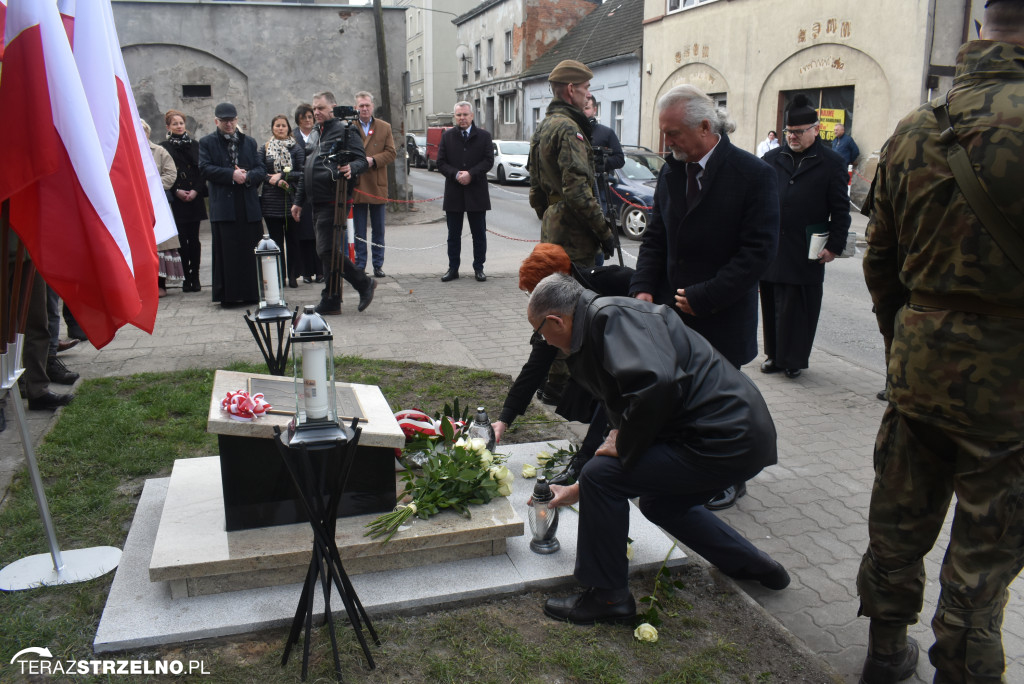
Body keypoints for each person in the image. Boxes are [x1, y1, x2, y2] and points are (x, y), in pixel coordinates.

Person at [856, 3, 1024, 682]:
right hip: (1013, 380)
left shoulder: (917, 127)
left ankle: (885, 656)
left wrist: (908, 336)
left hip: (921, 361)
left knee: (899, 512)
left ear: (981, 29)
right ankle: (964, 665)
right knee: (987, 541)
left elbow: (879, 259)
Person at [528, 274, 789, 626]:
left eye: (540, 332)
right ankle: (754, 565)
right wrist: (580, 488)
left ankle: (608, 596)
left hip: (722, 439)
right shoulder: (604, 322)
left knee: (601, 476)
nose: (543, 340)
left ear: (557, 320)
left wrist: (621, 444)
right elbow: (628, 403)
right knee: (661, 503)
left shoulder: (610, 320)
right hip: (738, 437)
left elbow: (658, 385)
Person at [630, 84, 779, 511]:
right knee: (676, 396)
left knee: (722, 405)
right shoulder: (672, 170)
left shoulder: (753, 174)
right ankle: (682, 469)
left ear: (705, 127)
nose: (667, 143)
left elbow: (758, 254)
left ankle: (732, 477)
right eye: (664, 133)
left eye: (673, 133)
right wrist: (642, 286)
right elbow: (656, 237)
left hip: (720, 313)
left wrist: (705, 296)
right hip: (671, 313)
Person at [493, 244, 633, 485]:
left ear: (558, 280)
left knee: (610, 398)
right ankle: (591, 459)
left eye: (535, 292)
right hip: (607, 367)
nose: (534, 300)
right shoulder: (555, 308)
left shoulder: (607, 281)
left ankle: (585, 464)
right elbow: (535, 367)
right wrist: (504, 420)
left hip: (634, 356)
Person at [759, 95, 850, 378]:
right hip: (774, 246)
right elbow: (758, 201)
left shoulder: (832, 162)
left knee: (799, 308)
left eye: (798, 132)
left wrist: (835, 246)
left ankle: (794, 359)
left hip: (807, 247)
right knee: (773, 303)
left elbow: (841, 210)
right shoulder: (772, 159)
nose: (792, 137)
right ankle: (774, 356)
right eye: (788, 132)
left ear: (815, 129)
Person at [290, 91, 377, 315]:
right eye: (314, 108)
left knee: (326, 250)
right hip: (316, 201)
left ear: (333, 108)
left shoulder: (345, 131)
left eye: (320, 108)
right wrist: (299, 201)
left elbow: (361, 160)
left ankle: (363, 283)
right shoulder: (318, 133)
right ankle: (331, 299)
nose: (316, 112)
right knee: (327, 252)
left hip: (334, 198)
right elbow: (306, 170)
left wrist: (351, 168)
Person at [528, 60, 615, 270]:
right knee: (579, 298)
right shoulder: (568, 129)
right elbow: (577, 192)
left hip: (552, 232)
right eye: (585, 88)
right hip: (575, 239)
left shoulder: (544, 127)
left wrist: (551, 217)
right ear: (570, 89)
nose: (588, 95)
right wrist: (604, 232)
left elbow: (535, 190)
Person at [198, 102, 266, 305]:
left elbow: (261, 169)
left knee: (250, 250)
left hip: (247, 204)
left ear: (237, 120)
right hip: (224, 206)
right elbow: (204, 168)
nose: (229, 124)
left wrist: (247, 176)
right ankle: (229, 295)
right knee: (228, 252)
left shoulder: (249, 142)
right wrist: (231, 174)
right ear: (216, 121)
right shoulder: (207, 142)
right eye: (224, 121)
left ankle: (252, 293)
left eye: (232, 120)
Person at [436, 101, 493, 282]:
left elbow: (488, 161)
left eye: (465, 114)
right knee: (453, 235)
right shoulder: (447, 136)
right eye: (459, 115)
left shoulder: (484, 136)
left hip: (477, 192)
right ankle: (453, 268)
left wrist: (471, 174)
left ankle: (479, 268)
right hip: (454, 192)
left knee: (479, 234)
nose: (462, 118)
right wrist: (456, 174)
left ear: (472, 116)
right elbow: (441, 162)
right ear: (455, 116)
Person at [161, 109, 207, 293]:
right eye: (175, 124)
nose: (179, 126)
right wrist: (176, 190)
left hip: (194, 197)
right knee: (182, 239)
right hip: (177, 198)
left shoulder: (195, 145)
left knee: (194, 239)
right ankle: (185, 277)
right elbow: (164, 171)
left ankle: (194, 276)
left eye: (181, 123)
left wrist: (196, 190)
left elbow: (202, 170)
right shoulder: (164, 147)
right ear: (168, 127)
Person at [351, 91, 396, 278]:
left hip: (377, 183)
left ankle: (378, 265)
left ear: (372, 106)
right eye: (361, 106)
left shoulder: (384, 127)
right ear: (356, 108)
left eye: (367, 105)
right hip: (358, 183)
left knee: (378, 229)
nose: (364, 109)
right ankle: (360, 265)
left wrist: (373, 160)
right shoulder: (349, 127)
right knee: (359, 230)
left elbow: (391, 153)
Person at [259, 114, 304, 288]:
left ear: (288, 128)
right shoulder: (264, 148)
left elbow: (302, 172)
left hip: (292, 199)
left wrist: (284, 175)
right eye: (277, 125)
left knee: (293, 240)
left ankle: (293, 275)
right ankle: (279, 275)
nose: (280, 128)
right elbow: (260, 171)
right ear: (272, 128)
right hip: (271, 201)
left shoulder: (297, 149)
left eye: (283, 125)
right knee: (276, 242)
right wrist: (273, 180)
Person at [143, 119, 183, 298]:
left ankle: (161, 283)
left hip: (157, 203)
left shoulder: (158, 151)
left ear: (148, 133)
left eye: (143, 131)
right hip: (136, 206)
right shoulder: (126, 152)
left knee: (160, 244)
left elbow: (171, 174)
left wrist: (152, 187)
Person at [582, 94, 624, 267]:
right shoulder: (574, 131)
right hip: (580, 191)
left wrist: (601, 163)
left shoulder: (606, 133)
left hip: (600, 191)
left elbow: (620, 159)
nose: (584, 112)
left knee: (597, 232)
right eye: (581, 108)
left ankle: (597, 269)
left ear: (594, 109)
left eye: (587, 108)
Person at [292, 103, 321, 285]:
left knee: (318, 233)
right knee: (303, 235)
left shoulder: (320, 134)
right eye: (304, 118)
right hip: (300, 190)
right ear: (298, 121)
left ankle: (320, 271)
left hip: (317, 187)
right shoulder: (294, 138)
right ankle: (306, 272)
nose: (308, 121)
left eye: (310, 117)